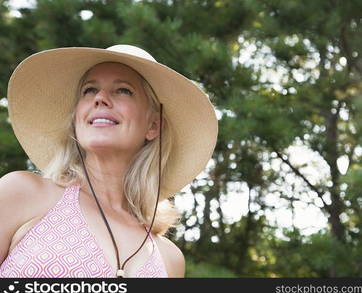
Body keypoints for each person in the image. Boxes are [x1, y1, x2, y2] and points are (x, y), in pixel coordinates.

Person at [0, 45, 218, 278]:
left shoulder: (170, 261)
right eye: (89, 90)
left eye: (123, 90)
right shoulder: (21, 194)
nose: (100, 98)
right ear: (76, 120)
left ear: (153, 126)